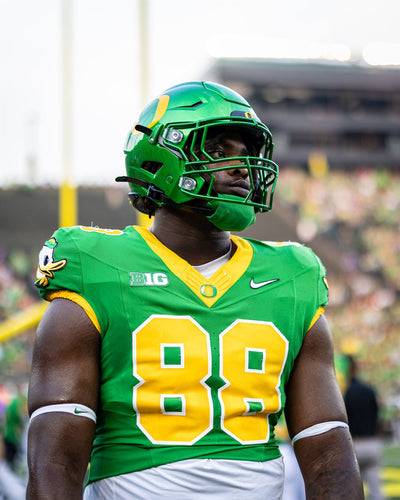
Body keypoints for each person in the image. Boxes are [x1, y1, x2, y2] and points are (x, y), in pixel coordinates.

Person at [27, 81, 363, 499]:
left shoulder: (293, 275)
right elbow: (56, 460)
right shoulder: (97, 266)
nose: (242, 168)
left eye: (247, 153)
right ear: (162, 158)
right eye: (220, 151)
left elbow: (328, 450)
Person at [345, 356, 385, 500]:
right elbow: (377, 418)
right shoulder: (369, 390)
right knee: (376, 491)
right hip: (372, 443)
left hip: (352, 445)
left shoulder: (344, 392)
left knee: (351, 492)